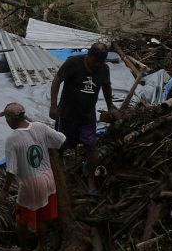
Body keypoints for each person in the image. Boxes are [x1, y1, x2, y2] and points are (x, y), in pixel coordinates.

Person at [49, 42, 120, 194]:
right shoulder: (73, 63)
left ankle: (91, 179)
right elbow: (56, 81)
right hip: (67, 114)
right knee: (61, 144)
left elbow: (107, 87)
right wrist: (53, 106)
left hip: (87, 116)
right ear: (89, 56)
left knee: (91, 145)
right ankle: (58, 176)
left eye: (101, 62)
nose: (98, 65)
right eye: (96, 61)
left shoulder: (103, 69)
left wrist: (110, 107)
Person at [0, 102, 66, 251]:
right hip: (48, 178)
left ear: (10, 120)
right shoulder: (39, 127)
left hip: (31, 184)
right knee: (43, 216)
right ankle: (41, 247)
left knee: (22, 221)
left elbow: (11, 170)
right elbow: (61, 139)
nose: (6, 122)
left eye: (6, 119)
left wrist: (4, 190)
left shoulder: (12, 139)